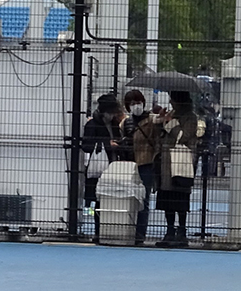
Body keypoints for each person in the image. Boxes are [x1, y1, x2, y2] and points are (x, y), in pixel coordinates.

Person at [156, 90, 199, 248]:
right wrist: (161, 120)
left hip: (181, 162)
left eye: (172, 100)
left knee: (181, 197)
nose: (171, 103)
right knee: (167, 198)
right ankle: (169, 231)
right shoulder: (172, 114)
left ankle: (181, 232)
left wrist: (171, 123)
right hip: (166, 163)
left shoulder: (191, 117)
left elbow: (183, 137)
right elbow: (161, 135)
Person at [81, 93, 123, 239]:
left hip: (112, 165)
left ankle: (107, 230)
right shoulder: (92, 125)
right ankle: (98, 231)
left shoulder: (114, 124)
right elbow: (86, 146)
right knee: (99, 200)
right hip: (99, 168)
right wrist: (107, 145)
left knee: (109, 199)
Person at [120, 89, 158, 245]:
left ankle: (140, 235)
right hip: (129, 165)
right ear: (127, 106)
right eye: (132, 103)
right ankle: (127, 230)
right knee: (127, 198)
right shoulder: (125, 123)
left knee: (144, 200)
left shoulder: (151, 120)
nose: (136, 105)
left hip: (146, 163)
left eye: (139, 102)